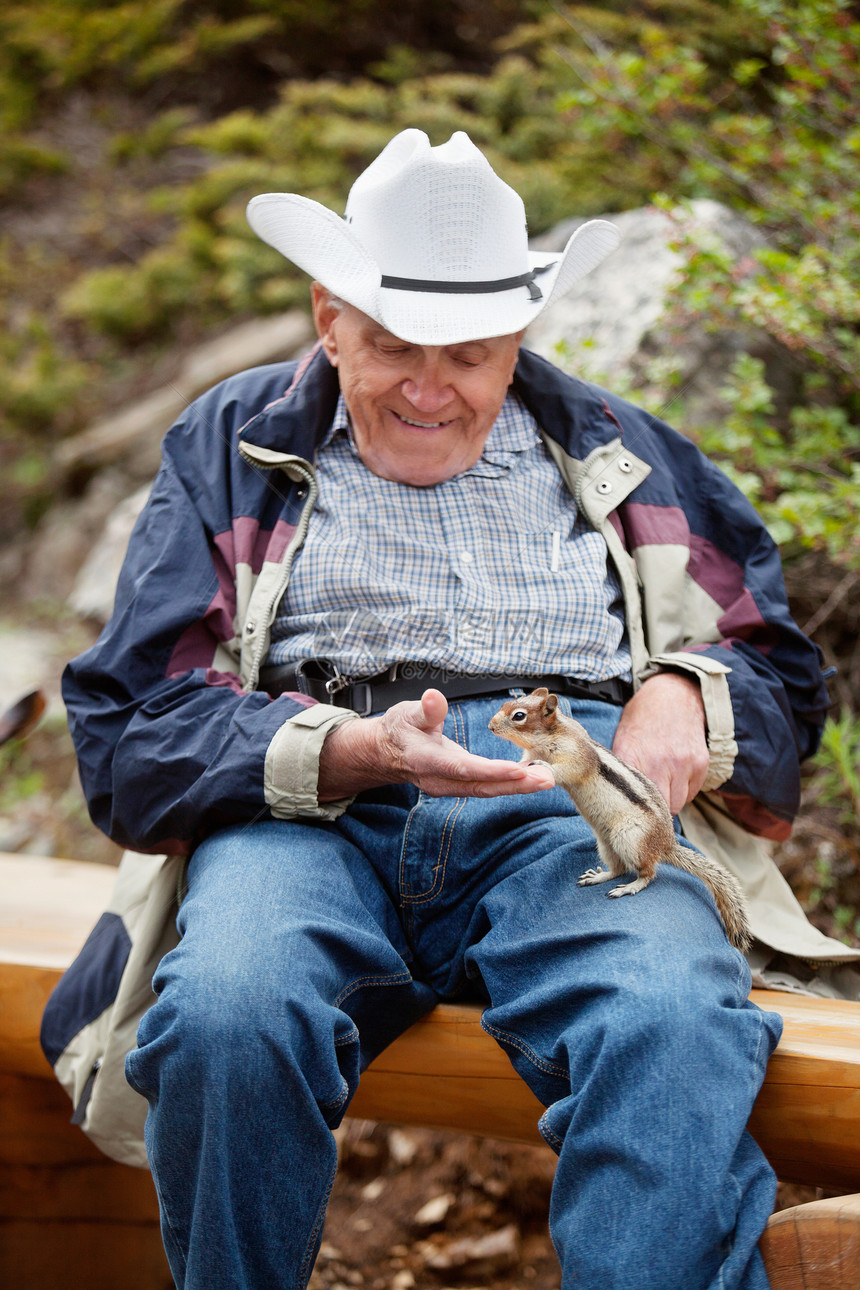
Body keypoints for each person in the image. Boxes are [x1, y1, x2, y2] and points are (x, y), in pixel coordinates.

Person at [54, 129, 841, 1289]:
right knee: (228, 1017)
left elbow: (776, 666)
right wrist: (347, 750)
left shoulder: (626, 451)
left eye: (468, 357)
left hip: (560, 807)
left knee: (669, 1022)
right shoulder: (229, 443)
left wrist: (686, 692)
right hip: (301, 805)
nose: (429, 389)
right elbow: (127, 724)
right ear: (329, 317)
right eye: (390, 349)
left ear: (517, 339)